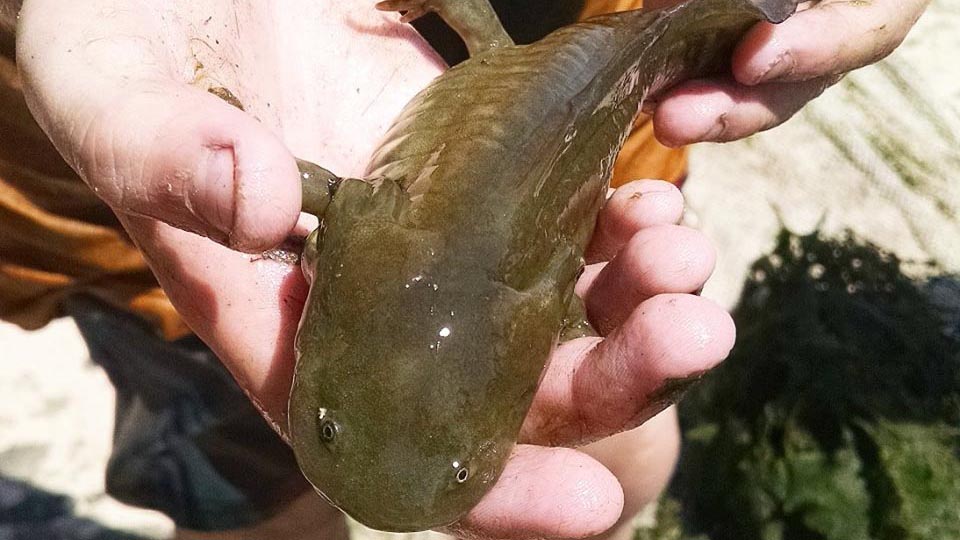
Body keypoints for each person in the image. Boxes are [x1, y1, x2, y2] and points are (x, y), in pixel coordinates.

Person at [0, 0, 930, 538]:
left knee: (620, 457)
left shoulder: (513, 286)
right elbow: (314, 192)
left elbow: (328, 193)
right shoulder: (361, 236)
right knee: (241, 482)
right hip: (118, 248)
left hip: (598, 51)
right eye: (325, 424)